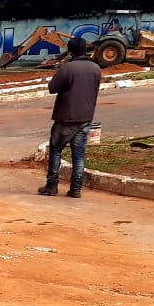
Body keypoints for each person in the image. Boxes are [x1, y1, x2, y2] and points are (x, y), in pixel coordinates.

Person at [40, 36, 102, 198]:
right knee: (79, 154)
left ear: (70, 50)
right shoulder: (96, 68)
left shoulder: (67, 69)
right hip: (86, 117)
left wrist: (60, 68)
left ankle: (52, 185)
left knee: (56, 150)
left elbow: (52, 88)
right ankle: (76, 189)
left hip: (66, 117)